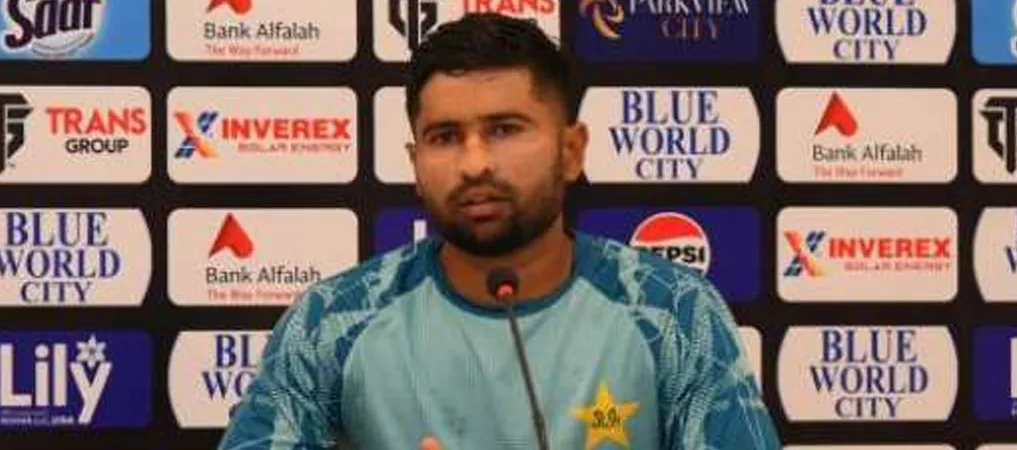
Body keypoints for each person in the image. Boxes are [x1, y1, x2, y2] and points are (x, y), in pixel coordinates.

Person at [218, 12, 781, 450]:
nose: (474, 164)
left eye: (505, 129)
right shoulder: (334, 320)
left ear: (571, 150)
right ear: (415, 164)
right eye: (444, 137)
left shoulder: (674, 311)